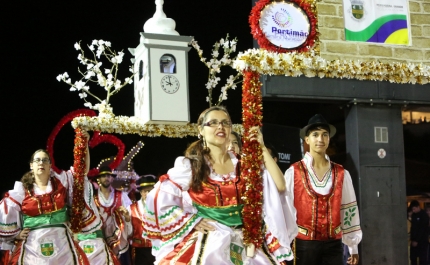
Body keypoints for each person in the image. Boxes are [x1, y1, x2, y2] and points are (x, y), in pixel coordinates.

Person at [143, 106, 297, 264]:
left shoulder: (245, 164)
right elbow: (158, 196)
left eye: (225, 123)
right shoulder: (191, 166)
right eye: (213, 123)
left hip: (246, 242)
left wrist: (262, 148)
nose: (220, 127)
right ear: (201, 130)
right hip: (210, 241)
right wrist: (190, 221)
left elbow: (280, 186)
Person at [0, 131, 91, 265]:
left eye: (45, 160)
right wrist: (16, 235)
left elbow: (82, 171)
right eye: (37, 160)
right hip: (33, 245)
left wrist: (84, 145)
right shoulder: (21, 191)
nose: (41, 163)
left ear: (50, 165)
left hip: (62, 243)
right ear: (31, 165)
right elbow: (6, 215)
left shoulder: (62, 182)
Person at [284, 114, 362, 265]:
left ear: (329, 139)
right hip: (304, 245)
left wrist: (353, 247)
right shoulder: (294, 172)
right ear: (307, 140)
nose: (320, 139)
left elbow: (348, 209)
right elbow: (286, 209)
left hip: (334, 245)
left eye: (324, 135)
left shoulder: (341, 173)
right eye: (315, 135)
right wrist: (283, 244)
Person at [94, 165, 133, 265]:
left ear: (112, 178)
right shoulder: (93, 198)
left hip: (120, 241)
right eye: (103, 176)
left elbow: (129, 215)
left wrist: (127, 218)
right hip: (100, 241)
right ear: (99, 179)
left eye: (108, 175)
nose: (106, 178)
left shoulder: (121, 195)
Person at [128, 175, 156, 265]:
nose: (147, 194)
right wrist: (127, 220)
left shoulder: (160, 207)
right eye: (145, 191)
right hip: (139, 250)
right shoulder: (131, 208)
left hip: (157, 248)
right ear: (140, 192)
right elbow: (128, 233)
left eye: (150, 191)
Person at [409, 200, 429, 265]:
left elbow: (422, 229)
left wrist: (416, 240)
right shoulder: (414, 215)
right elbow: (413, 228)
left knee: (422, 259)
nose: (413, 210)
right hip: (414, 241)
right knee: (413, 258)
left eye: (414, 209)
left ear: (418, 207)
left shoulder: (424, 216)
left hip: (422, 242)